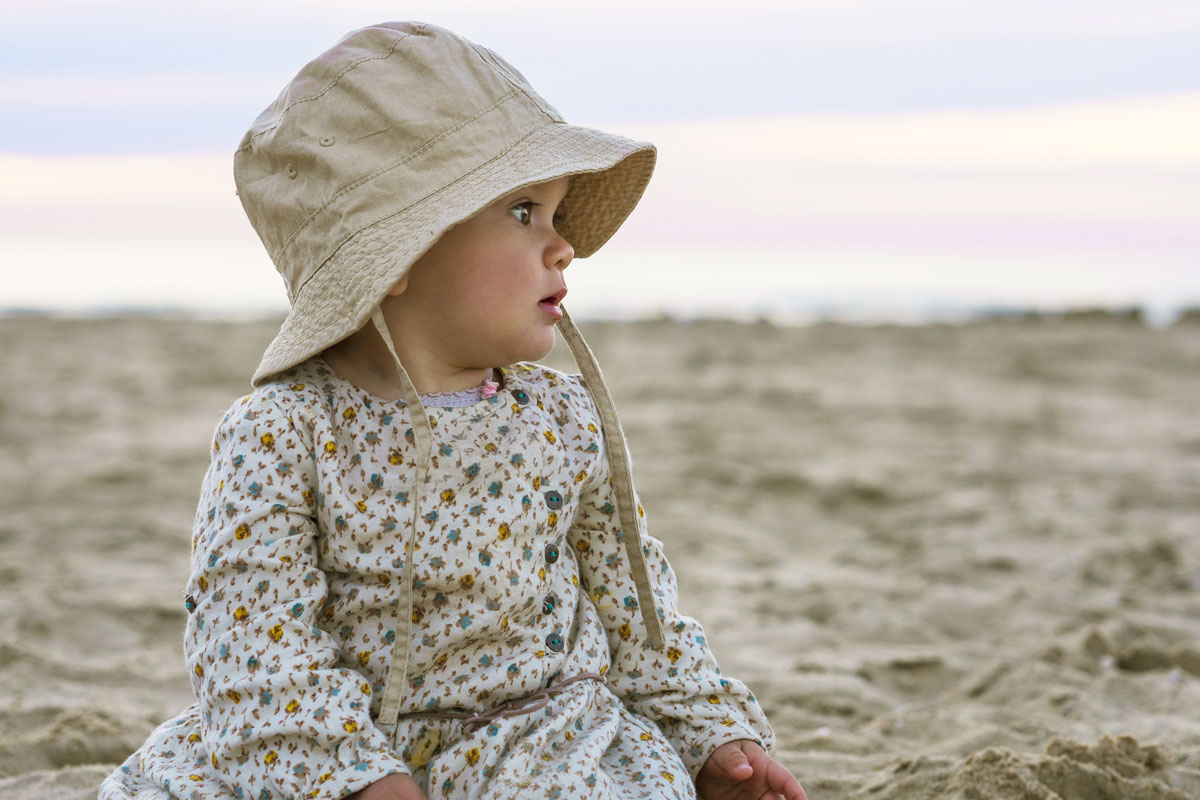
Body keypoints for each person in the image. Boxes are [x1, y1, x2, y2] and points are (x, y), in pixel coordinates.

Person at [100, 22, 807, 800]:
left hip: (540, 747)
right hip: (328, 748)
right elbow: (252, 651)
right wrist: (356, 779)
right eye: (523, 212)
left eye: (557, 214)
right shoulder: (283, 433)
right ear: (397, 254)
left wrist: (708, 735)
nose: (562, 245)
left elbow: (637, 610)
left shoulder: (562, 420)